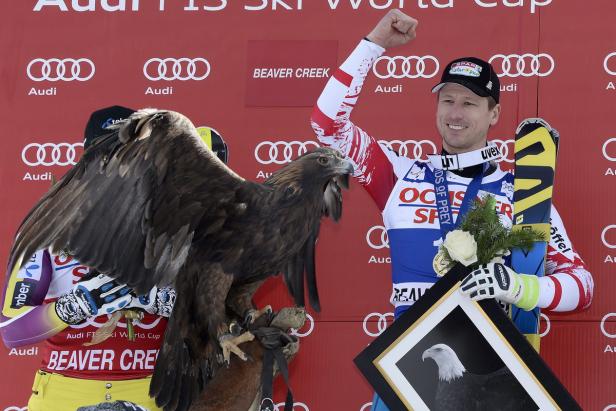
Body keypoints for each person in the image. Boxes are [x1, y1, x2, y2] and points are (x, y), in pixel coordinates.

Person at [310, 10, 594, 411]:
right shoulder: (400, 175)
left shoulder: (521, 194)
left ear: (493, 114)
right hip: (405, 370)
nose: (456, 113)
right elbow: (327, 124)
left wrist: (518, 287)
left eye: (470, 103)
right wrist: (373, 44)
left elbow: (581, 286)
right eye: (447, 100)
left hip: (489, 376)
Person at [0, 106, 228, 411]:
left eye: (128, 154)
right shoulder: (49, 228)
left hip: (154, 393)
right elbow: (12, 332)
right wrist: (76, 306)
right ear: (86, 160)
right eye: (105, 155)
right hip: (63, 393)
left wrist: (162, 301)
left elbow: (223, 324)